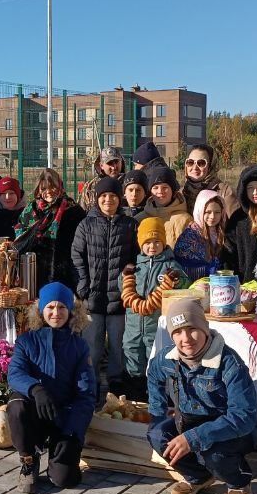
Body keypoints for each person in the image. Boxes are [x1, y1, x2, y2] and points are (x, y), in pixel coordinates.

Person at [148, 299, 257, 494]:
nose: (186, 339)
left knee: (214, 453)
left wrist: (193, 438)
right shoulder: (166, 358)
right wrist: (158, 414)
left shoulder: (230, 363)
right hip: (190, 421)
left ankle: (239, 481)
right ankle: (197, 476)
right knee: (157, 434)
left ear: (205, 328)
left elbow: (244, 417)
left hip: (234, 427)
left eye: (192, 329)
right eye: (178, 332)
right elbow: (153, 375)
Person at [7, 282, 96, 493]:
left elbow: (86, 394)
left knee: (64, 479)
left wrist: (72, 432)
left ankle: (61, 452)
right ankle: (29, 460)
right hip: (35, 412)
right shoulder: (27, 341)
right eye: (50, 307)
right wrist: (36, 389)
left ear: (71, 311)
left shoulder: (79, 346)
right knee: (16, 405)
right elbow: (15, 374)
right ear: (41, 311)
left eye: (62, 307)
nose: (56, 313)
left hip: (63, 417)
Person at [72, 176, 138, 404]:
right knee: (93, 343)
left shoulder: (129, 225)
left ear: (119, 198)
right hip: (93, 297)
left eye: (112, 196)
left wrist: (129, 277)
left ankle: (116, 380)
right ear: (97, 199)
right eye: (103, 196)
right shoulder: (87, 225)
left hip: (119, 297)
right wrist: (83, 283)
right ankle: (91, 382)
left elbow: (135, 255)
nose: (108, 200)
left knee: (118, 343)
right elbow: (76, 255)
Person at [120, 217, 182, 402]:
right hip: (133, 326)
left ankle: (156, 397)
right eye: (147, 242)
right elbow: (123, 290)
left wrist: (176, 281)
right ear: (141, 244)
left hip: (156, 327)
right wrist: (124, 277)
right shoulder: (134, 268)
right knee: (132, 356)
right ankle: (134, 396)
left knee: (155, 359)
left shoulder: (170, 267)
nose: (152, 246)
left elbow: (182, 287)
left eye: (157, 241)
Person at [14, 168, 85, 291]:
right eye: (44, 189)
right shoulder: (30, 210)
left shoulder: (73, 210)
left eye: (53, 187)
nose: (49, 192)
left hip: (66, 271)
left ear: (60, 187)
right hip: (34, 272)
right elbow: (20, 237)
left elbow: (82, 241)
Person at [176, 190, 228, 281]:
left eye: (217, 212)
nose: (212, 216)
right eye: (207, 212)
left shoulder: (224, 233)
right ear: (200, 211)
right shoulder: (189, 237)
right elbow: (183, 267)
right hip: (195, 287)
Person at [180, 144, 239, 217]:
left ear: (211, 166)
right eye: (190, 162)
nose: (195, 167)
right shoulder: (180, 194)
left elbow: (235, 225)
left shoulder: (225, 193)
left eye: (201, 163)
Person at [141, 166, 191, 247]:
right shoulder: (141, 218)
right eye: (155, 188)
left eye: (165, 187)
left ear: (173, 190)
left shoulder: (184, 220)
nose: (160, 191)